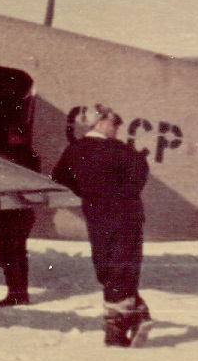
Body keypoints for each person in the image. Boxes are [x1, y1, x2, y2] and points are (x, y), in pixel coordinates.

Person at [52, 105, 150, 346]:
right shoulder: (121, 150)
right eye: (115, 123)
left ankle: (131, 318)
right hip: (127, 218)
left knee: (107, 269)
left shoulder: (74, 150)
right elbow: (139, 177)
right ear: (101, 123)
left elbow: (60, 177)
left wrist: (88, 193)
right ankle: (124, 323)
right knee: (123, 270)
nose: (117, 128)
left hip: (97, 217)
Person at [0, 125, 39, 306]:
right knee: (19, 253)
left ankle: (16, 294)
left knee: (7, 254)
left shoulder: (6, 158)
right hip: (24, 214)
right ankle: (20, 293)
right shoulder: (32, 157)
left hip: (9, 215)